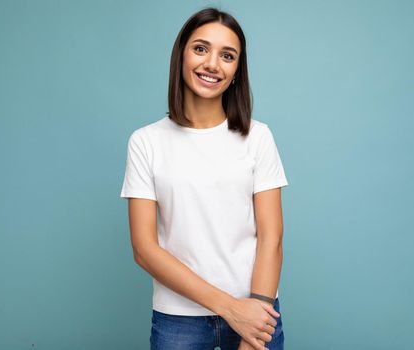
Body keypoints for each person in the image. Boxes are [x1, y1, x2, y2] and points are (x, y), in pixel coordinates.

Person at [120, 7, 288, 350]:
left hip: (257, 311)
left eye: (227, 56)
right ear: (180, 55)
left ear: (237, 71)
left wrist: (251, 318)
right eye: (201, 49)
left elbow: (271, 237)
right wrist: (230, 308)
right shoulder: (146, 141)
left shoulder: (258, 137)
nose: (212, 64)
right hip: (177, 319)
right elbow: (144, 249)